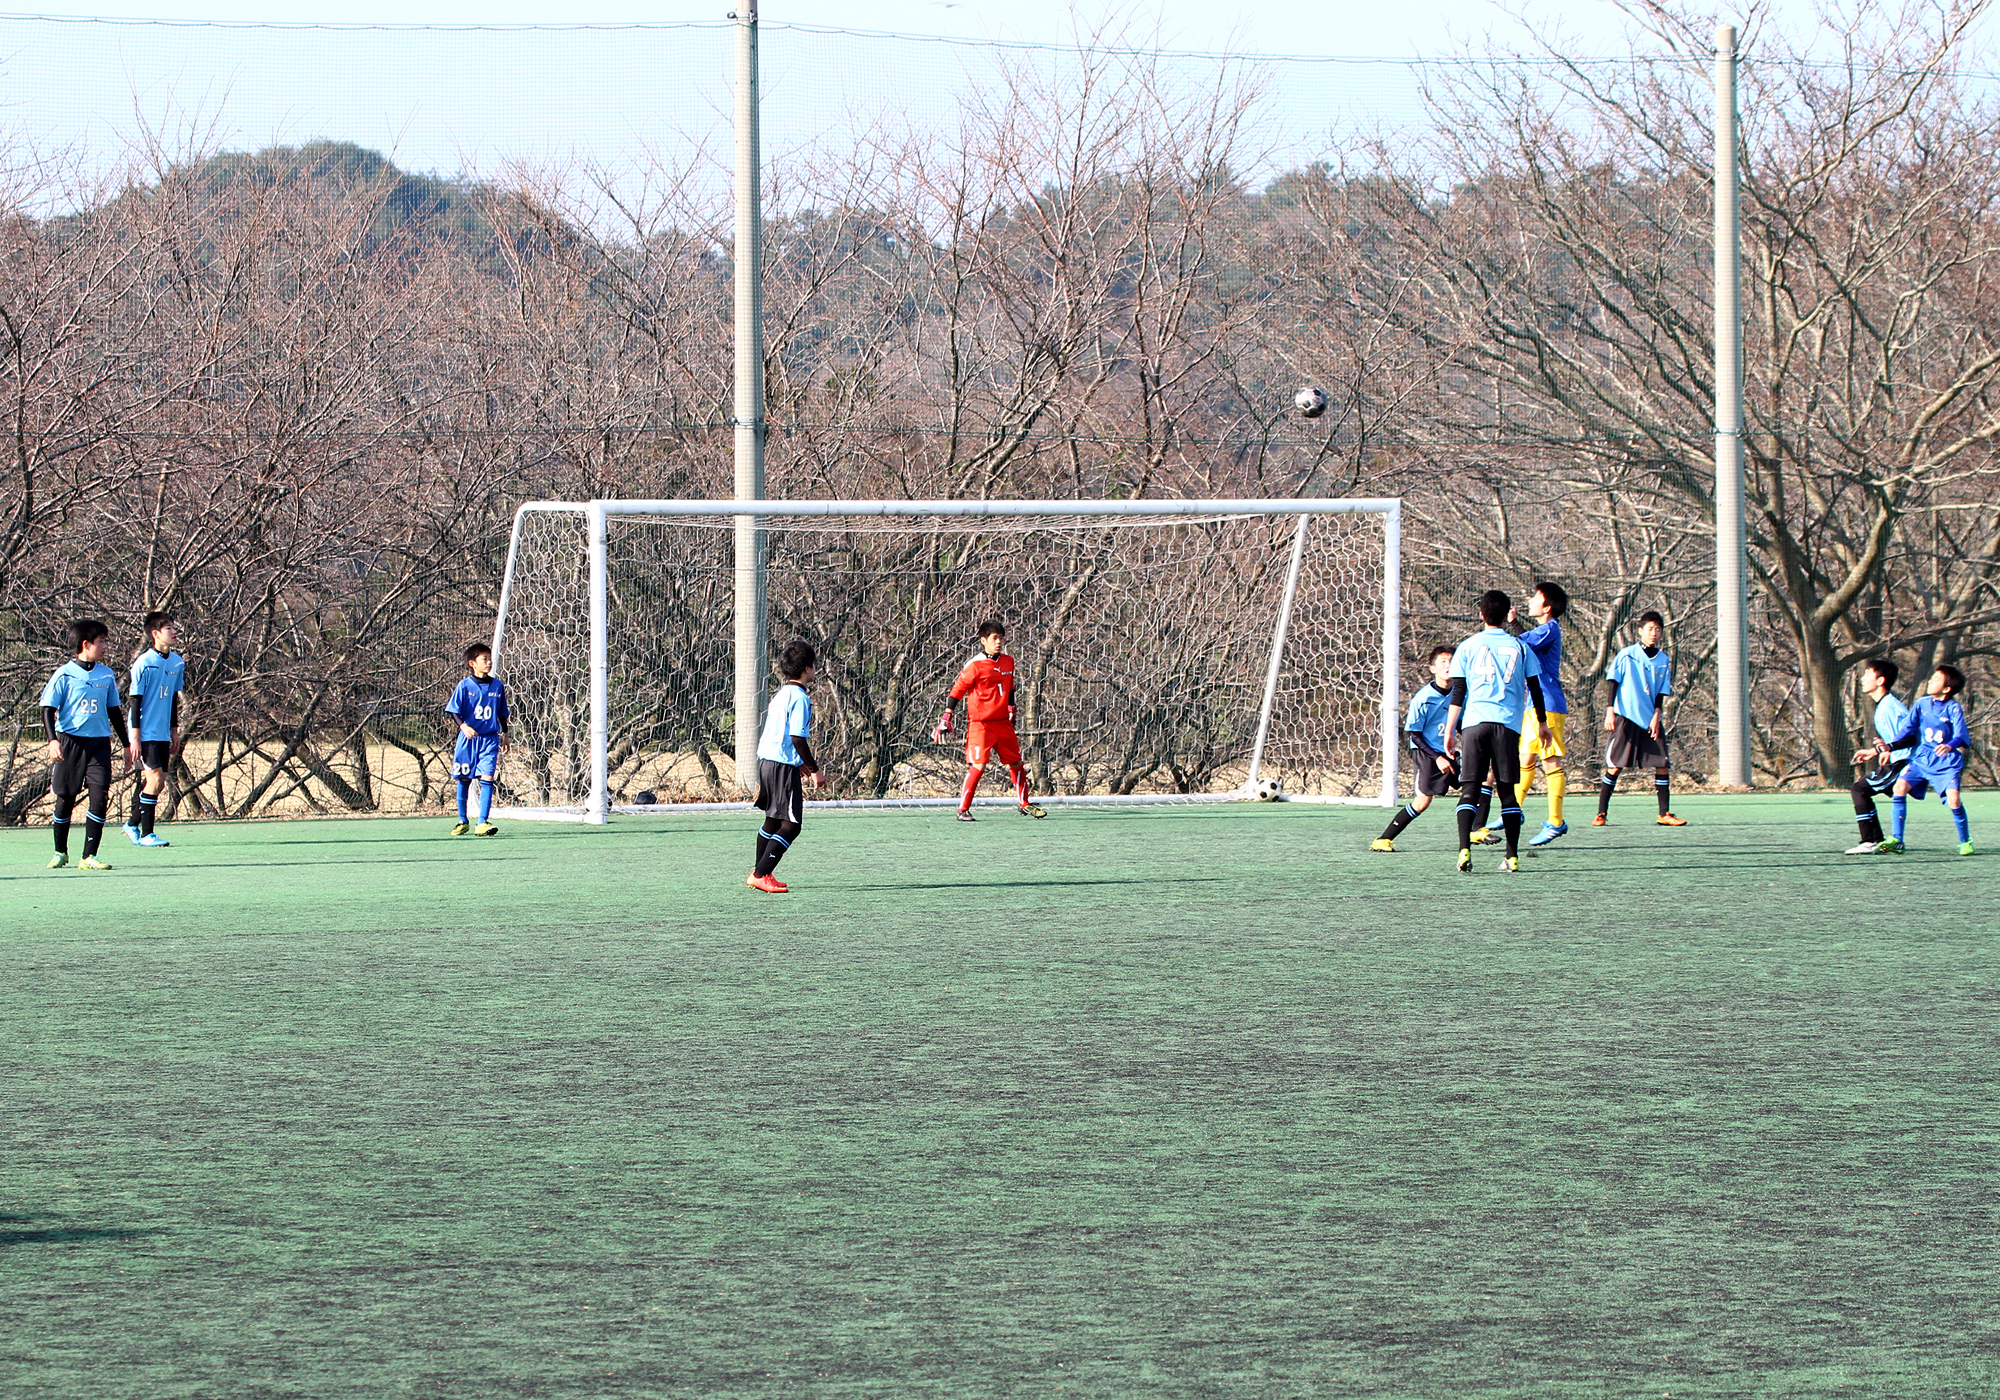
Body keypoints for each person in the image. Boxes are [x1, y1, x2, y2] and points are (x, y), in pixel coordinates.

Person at [1440, 590, 1552, 874]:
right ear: (1507, 615)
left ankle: (1464, 850)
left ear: (1481, 614)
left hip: (1475, 725)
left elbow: (1458, 693)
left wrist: (1449, 730)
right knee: (1507, 793)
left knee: (1470, 790)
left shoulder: (1467, 646)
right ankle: (1511, 857)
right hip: (1507, 726)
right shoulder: (1520, 647)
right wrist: (1542, 723)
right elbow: (1535, 688)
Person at [1471, 581, 1571, 848]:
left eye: (1536, 597)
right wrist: (1512, 624)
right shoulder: (1543, 630)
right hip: (1533, 705)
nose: (1530, 600)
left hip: (1548, 704)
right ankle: (1513, 810)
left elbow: (1521, 644)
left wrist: (1501, 628)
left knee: (1550, 761)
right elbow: (1525, 643)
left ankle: (1556, 821)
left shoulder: (1550, 628)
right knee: (1524, 758)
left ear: (1547, 607)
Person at [41, 619, 136, 870]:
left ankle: (88, 856)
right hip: (70, 742)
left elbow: (113, 710)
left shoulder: (106, 674)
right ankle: (60, 851)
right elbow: (48, 709)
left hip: (99, 745)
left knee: (99, 796)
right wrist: (52, 740)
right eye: (101, 641)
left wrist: (127, 745)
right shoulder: (64, 674)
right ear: (86, 644)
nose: (105, 646)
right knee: (65, 799)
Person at [934, 618, 1046, 821]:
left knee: (1016, 762)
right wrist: (946, 717)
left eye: (1001, 638)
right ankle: (963, 809)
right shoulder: (975, 665)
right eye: (994, 638)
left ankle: (1024, 803)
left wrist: (1011, 707)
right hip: (981, 724)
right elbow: (957, 691)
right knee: (979, 765)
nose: (998, 642)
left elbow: (1010, 687)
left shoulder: (1008, 661)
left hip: (1002, 723)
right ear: (983, 640)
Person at [1858, 662, 1973, 856]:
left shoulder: (1953, 708)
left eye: (1936, 679)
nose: (1930, 681)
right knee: (1899, 788)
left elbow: (1960, 735)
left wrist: (1949, 745)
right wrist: (1888, 747)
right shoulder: (1922, 704)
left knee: (1954, 800)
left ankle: (1965, 841)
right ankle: (1897, 840)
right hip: (1922, 759)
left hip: (1945, 762)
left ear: (1947, 688)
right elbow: (1907, 729)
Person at [1595, 610, 1685, 827]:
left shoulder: (1663, 660)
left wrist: (1657, 715)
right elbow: (1613, 682)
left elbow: (1661, 692)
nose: (1654, 633)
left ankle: (1664, 813)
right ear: (1641, 630)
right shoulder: (1627, 654)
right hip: (1626, 717)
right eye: (1650, 629)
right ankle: (1601, 813)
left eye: (1658, 629)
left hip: (1650, 719)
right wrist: (1610, 711)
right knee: (1615, 766)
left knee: (1662, 764)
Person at [749, 640, 825, 893]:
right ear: (807, 668)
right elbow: (796, 738)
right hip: (782, 765)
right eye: (814, 665)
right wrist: (814, 769)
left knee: (772, 820)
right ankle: (760, 874)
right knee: (792, 825)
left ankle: (761, 872)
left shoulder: (781, 694)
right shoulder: (800, 698)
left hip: (767, 761)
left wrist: (799, 762)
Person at [1372, 645, 1457, 851]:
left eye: (1452, 661)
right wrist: (1437, 758)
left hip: (1448, 751)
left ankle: (1476, 830)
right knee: (1422, 802)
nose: (1448, 666)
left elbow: (1461, 722)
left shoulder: (1459, 693)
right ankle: (1383, 839)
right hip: (1427, 752)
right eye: (1443, 662)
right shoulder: (1423, 698)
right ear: (1433, 668)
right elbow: (1414, 734)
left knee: (1480, 779)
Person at [123, 611, 186, 848]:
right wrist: (135, 738)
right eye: (168, 628)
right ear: (155, 634)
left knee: (158, 782)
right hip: (145, 731)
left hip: (162, 731)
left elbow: (172, 699)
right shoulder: (144, 663)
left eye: (173, 627)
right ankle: (147, 834)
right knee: (155, 779)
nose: (174, 632)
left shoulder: (177, 663)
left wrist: (174, 730)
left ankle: (132, 824)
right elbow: (135, 701)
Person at [1844, 657, 1911, 853]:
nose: (1863, 678)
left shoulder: (1889, 708)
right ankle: (1877, 840)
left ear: (1880, 681)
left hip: (1902, 764)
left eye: (1867, 674)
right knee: (1862, 790)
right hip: (1897, 761)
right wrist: (1877, 751)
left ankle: (1869, 841)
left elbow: (1911, 738)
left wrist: (1887, 751)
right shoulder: (1884, 706)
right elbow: (1897, 739)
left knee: (1859, 789)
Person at [446, 642, 509, 836]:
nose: (489, 662)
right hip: (468, 740)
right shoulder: (464, 686)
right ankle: (463, 820)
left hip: (489, 739)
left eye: (490, 658)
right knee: (464, 778)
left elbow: (502, 713)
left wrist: (506, 735)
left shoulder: (497, 686)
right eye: (484, 659)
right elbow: (453, 710)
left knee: (487, 777)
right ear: (472, 663)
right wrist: (463, 726)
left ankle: (482, 822)